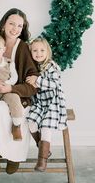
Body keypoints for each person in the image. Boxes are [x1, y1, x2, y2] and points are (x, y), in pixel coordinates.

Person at [0, 8, 39, 175]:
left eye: (20, 25)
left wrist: (12, 88)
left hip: (17, 95)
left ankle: (14, 156)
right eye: (12, 23)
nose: (15, 28)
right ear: (4, 24)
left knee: (12, 112)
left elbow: (32, 80)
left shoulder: (24, 48)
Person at [26, 37, 67, 172]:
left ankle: (42, 160)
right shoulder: (33, 67)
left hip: (52, 103)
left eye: (42, 50)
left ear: (47, 51)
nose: (39, 53)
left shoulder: (51, 66)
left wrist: (37, 80)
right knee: (31, 123)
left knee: (45, 127)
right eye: (35, 50)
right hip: (39, 103)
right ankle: (43, 148)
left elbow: (55, 84)